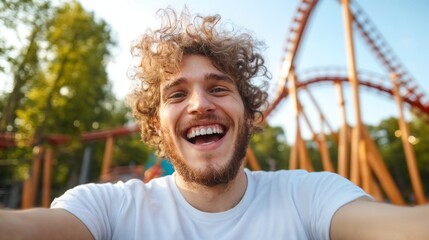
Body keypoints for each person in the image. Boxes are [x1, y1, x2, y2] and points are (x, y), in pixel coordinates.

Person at [1, 7, 428, 240]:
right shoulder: (109, 211)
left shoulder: (310, 196)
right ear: (156, 123)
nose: (200, 104)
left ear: (249, 110)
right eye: (177, 94)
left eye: (219, 88)